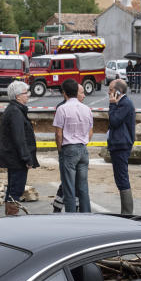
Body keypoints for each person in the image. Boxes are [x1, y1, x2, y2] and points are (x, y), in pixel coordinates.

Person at [0, 81, 38, 215]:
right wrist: (27, 158)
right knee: (16, 190)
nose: (28, 96)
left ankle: (10, 217)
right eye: (26, 93)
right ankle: (11, 219)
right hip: (17, 159)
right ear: (18, 96)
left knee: (13, 189)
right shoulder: (15, 112)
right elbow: (19, 138)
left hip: (13, 158)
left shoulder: (15, 110)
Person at [53, 79, 93, 212]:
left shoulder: (62, 109)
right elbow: (90, 131)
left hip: (69, 148)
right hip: (83, 148)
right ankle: (86, 215)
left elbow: (58, 134)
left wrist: (60, 150)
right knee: (83, 188)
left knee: (69, 187)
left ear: (64, 93)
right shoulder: (87, 109)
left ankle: (71, 217)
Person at [107, 78, 136, 214]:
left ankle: (127, 212)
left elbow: (114, 121)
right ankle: (126, 210)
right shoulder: (122, 103)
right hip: (118, 144)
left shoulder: (124, 104)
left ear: (118, 91)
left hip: (121, 145)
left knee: (122, 177)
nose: (109, 93)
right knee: (120, 177)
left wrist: (112, 105)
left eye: (111, 90)